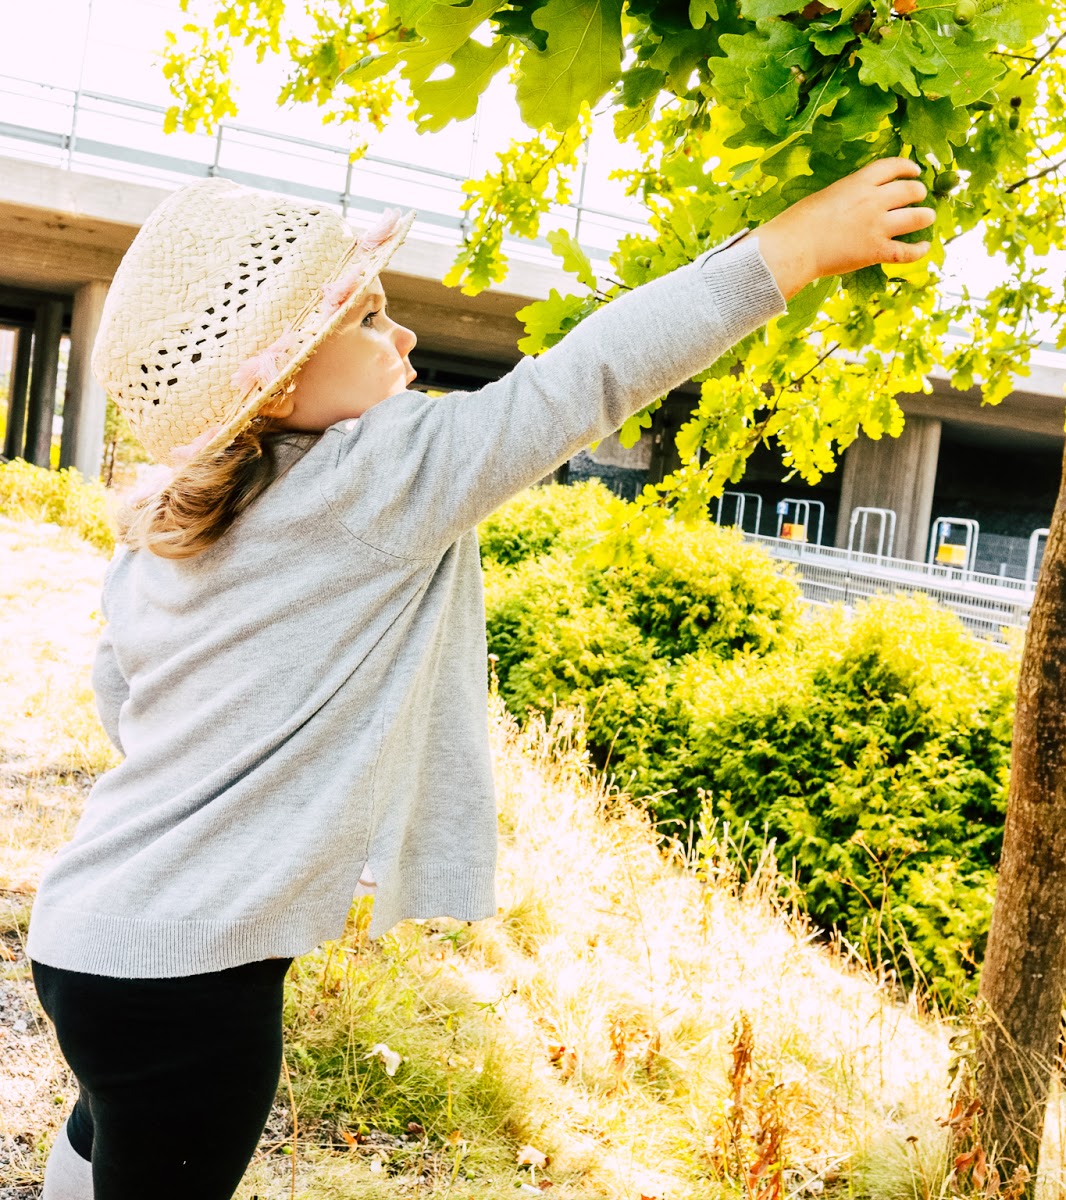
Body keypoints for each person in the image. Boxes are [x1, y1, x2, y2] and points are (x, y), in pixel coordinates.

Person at [26, 157, 934, 1199]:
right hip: (190, 978)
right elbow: (580, 382)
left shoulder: (181, 515)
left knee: (108, 1136)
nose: (403, 336)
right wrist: (791, 251)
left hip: (88, 935)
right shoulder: (380, 475)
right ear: (276, 381)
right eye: (367, 320)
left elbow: (120, 692)